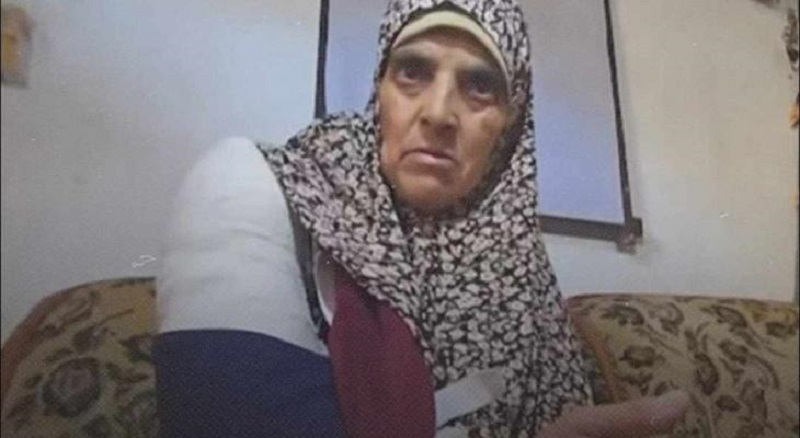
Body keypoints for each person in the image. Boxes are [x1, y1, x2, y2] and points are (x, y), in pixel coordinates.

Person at [154, 0, 690, 436]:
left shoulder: (523, 276)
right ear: (379, 90)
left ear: (509, 129)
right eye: (412, 72)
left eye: (480, 86)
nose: (438, 113)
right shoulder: (256, 185)